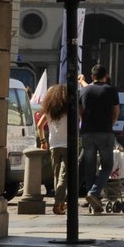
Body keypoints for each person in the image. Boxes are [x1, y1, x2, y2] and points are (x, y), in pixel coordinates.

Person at [76, 65, 120, 214]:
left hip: (87, 132)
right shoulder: (111, 90)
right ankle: (94, 193)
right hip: (105, 131)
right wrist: (109, 124)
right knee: (107, 165)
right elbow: (115, 113)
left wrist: (87, 122)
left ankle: (94, 202)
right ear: (106, 76)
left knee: (89, 165)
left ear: (92, 76)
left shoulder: (83, 90)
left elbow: (80, 112)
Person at [39, 84, 71, 215]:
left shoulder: (49, 110)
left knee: (57, 175)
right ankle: (58, 203)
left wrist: (43, 141)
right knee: (63, 175)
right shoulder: (68, 109)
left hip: (53, 145)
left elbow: (39, 125)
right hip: (67, 145)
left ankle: (60, 203)